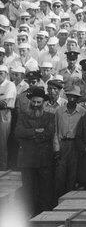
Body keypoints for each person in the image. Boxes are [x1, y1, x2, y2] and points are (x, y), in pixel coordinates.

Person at [15, 85, 56, 215]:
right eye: (34, 102)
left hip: (44, 159)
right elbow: (18, 132)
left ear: (43, 103)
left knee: (45, 189)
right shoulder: (22, 116)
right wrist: (35, 131)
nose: (36, 104)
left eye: (39, 102)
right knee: (28, 190)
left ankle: (45, 216)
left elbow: (49, 134)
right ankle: (30, 215)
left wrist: (29, 136)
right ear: (30, 102)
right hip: (27, 160)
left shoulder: (50, 116)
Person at [54, 85, 86, 198]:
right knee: (60, 174)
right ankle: (58, 199)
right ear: (67, 97)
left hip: (75, 144)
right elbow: (56, 131)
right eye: (70, 96)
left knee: (73, 174)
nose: (72, 99)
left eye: (74, 97)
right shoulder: (59, 111)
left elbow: (84, 132)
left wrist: (82, 148)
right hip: (63, 143)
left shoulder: (82, 112)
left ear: (78, 99)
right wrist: (57, 149)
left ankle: (69, 199)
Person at [0, 64, 16, 169]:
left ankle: (3, 166)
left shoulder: (10, 85)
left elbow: (5, 104)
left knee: (2, 142)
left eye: (0, 73)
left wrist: (3, 101)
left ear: (6, 74)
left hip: (4, 115)